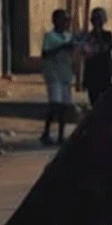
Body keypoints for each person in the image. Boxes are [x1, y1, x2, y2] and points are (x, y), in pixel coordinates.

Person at [40, 9, 76, 145]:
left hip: (65, 74)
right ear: (55, 21)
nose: (66, 23)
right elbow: (46, 53)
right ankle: (46, 132)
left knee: (64, 107)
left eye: (68, 21)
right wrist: (62, 47)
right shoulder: (50, 36)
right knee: (55, 104)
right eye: (64, 20)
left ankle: (61, 135)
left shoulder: (68, 36)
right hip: (53, 75)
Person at [80, 7, 112, 107]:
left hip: (104, 74)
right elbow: (84, 53)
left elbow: (105, 48)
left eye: (99, 19)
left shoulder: (107, 35)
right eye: (95, 19)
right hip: (91, 74)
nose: (97, 22)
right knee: (94, 102)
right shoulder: (87, 36)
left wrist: (98, 33)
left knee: (104, 103)